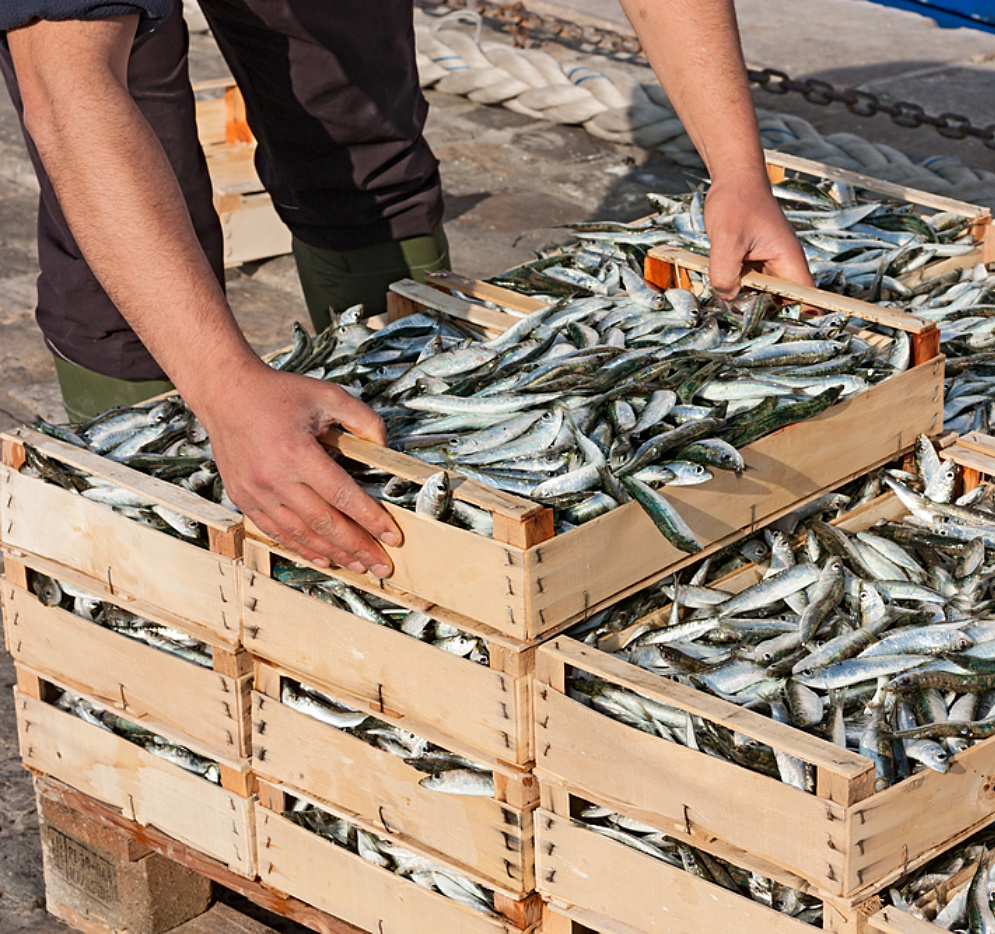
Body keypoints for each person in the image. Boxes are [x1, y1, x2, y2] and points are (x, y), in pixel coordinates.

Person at [0, 0, 813, 577]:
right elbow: (71, 96)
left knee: (355, 133)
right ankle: (157, 515)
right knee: (129, 214)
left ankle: (407, 426)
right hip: (84, 47)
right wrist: (222, 384)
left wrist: (738, 171)